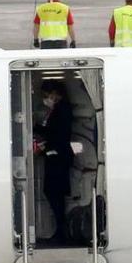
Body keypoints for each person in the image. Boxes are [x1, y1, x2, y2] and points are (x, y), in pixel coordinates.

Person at [35, 80, 74, 245]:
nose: (47, 99)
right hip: (55, 154)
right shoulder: (57, 110)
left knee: (53, 192)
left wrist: (43, 140)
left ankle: (61, 231)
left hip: (58, 155)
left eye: (48, 95)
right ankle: (60, 229)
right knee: (53, 192)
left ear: (56, 94)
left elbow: (58, 133)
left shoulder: (62, 110)